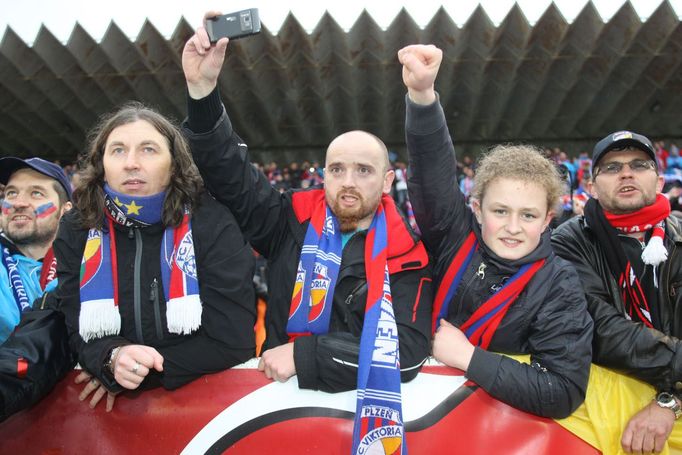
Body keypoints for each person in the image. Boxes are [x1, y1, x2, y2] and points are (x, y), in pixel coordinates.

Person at [180, 19, 433, 394]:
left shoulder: (408, 254)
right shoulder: (288, 220)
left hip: (359, 420)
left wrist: (305, 354)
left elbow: (407, 353)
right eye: (337, 169)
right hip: (275, 407)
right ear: (325, 175)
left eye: (363, 170)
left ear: (386, 182)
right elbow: (230, 174)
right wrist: (202, 91)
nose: (348, 181)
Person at [398, 44, 593, 419]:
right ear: (476, 208)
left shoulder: (559, 283)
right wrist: (422, 97)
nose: (514, 228)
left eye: (529, 215)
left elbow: (564, 390)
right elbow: (433, 175)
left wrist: (469, 358)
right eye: (500, 211)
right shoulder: (454, 235)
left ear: (549, 218)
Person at [53, 102, 256, 411]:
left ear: (174, 164)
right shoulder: (76, 227)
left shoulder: (212, 222)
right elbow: (74, 326)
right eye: (118, 150)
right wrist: (110, 357)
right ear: (101, 163)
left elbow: (233, 341)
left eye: (148, 150)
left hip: (197, 407)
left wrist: (139, 373)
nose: (131, 163)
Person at [552, 130, 682, 453]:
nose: (626, 172)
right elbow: (602, 331)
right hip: (606, 406)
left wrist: (671, 401)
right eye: (611, 168)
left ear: (659, 181)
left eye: (639, 165)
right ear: (591, 188)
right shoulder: (568, 242)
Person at [0, 157, 73, 344]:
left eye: (36, 193)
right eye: (11, 193)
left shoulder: (91, 264)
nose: (19, 203)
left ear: (65, 211)